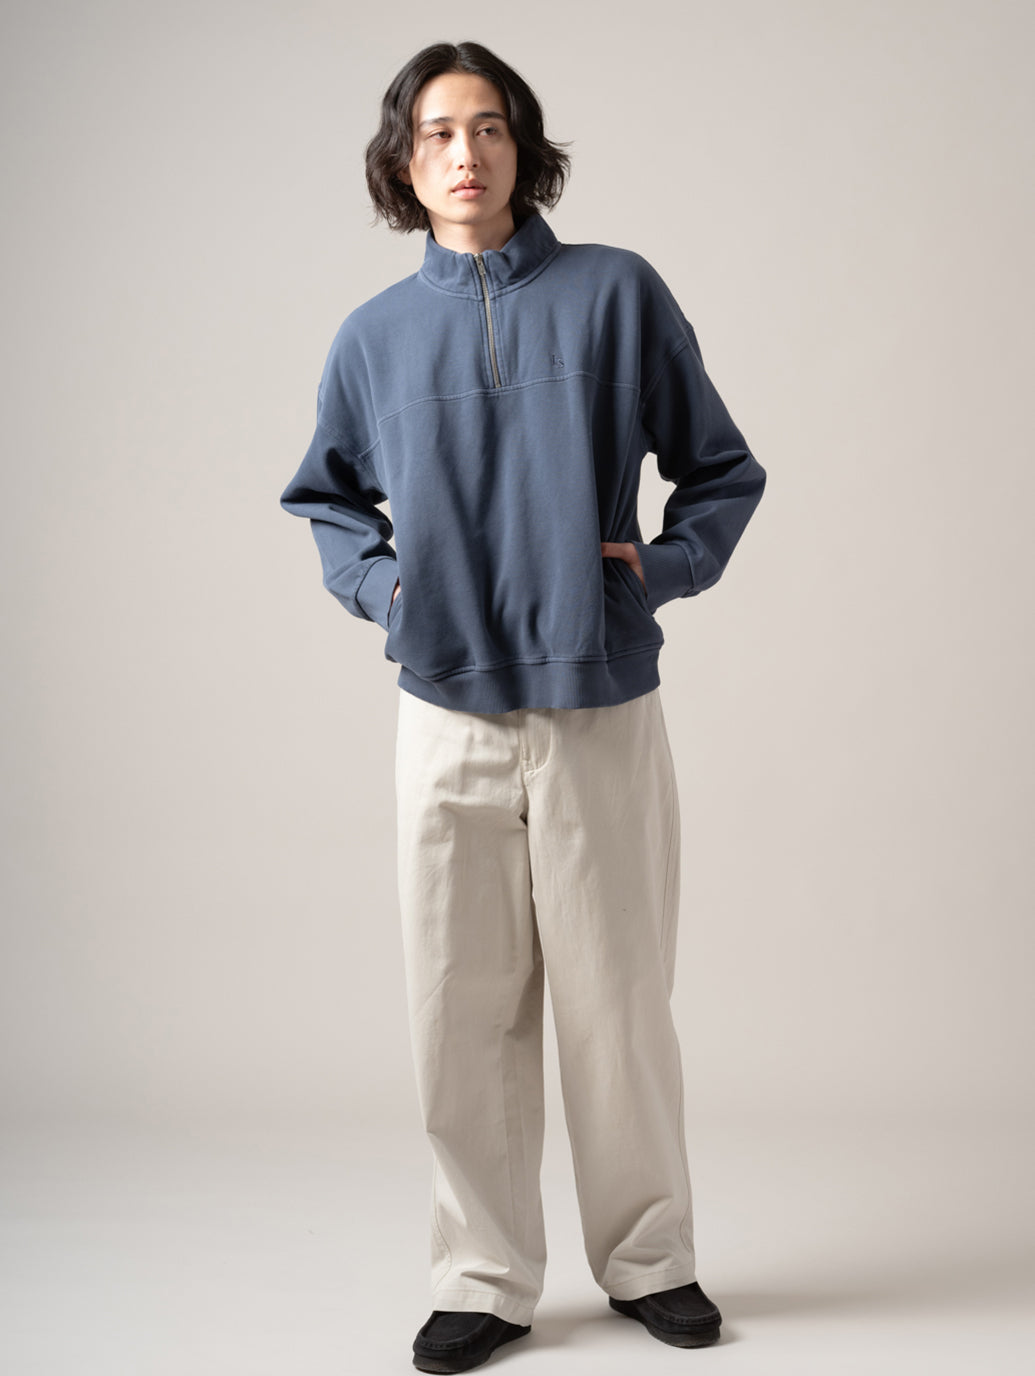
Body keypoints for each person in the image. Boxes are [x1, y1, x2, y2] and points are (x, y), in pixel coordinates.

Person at [281, 40, 765, 1373]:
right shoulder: (374, 338)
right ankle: (483, 1277)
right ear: (403, 162)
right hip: (445, 713)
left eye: (489, 127)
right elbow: (327, 499)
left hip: (598, 700)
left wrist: (657, 570)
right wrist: (389, 594)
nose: (466, 153)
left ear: (523, 146)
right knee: (460, 1006)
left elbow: (721, 471)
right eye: (438, 132)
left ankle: (651, 1260)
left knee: (622, 1001)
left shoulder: (617, 295)